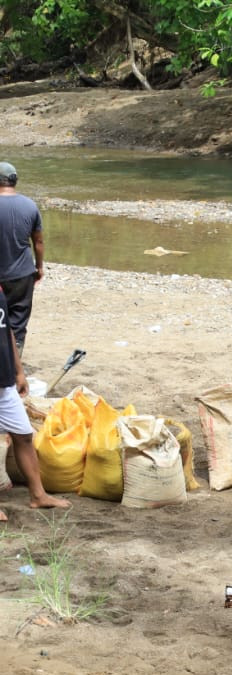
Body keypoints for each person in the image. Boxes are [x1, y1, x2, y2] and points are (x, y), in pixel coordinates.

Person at [0, 286, 70, 520]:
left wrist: (19, 371)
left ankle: (38, 495)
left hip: (5, 382)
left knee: (23, 435)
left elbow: (7, 330)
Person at [0, 162, 44, 358]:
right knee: (17, 322)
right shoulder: (30, 205)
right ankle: (14, 365)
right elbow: (38, 242)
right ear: (15, 181)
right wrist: (39, 267)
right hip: (22, 275)